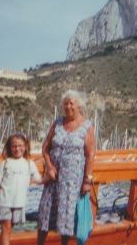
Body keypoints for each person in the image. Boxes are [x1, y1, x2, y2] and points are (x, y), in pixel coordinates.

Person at [37, 90, 95, 245]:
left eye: (71, 103)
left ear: (79, 105)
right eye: (66, 103)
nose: (68, 106)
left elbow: (90, 155)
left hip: (72, 182)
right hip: (53, 178)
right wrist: (49, 167)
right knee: (45, 214)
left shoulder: (87, 126)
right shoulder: (57, 123)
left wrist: (87, 181)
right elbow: (45, 148)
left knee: (67, 218)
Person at [0, 133, 47, 245]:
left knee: (9, 229)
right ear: (10, 147)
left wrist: (50, 175)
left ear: (25, 147)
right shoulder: (4, 163)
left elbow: (39, 180)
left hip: (18, 202)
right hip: (4, 202)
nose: (17, 149)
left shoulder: (29, 164)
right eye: (14, 146)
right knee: (6, 228)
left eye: (20, 145)